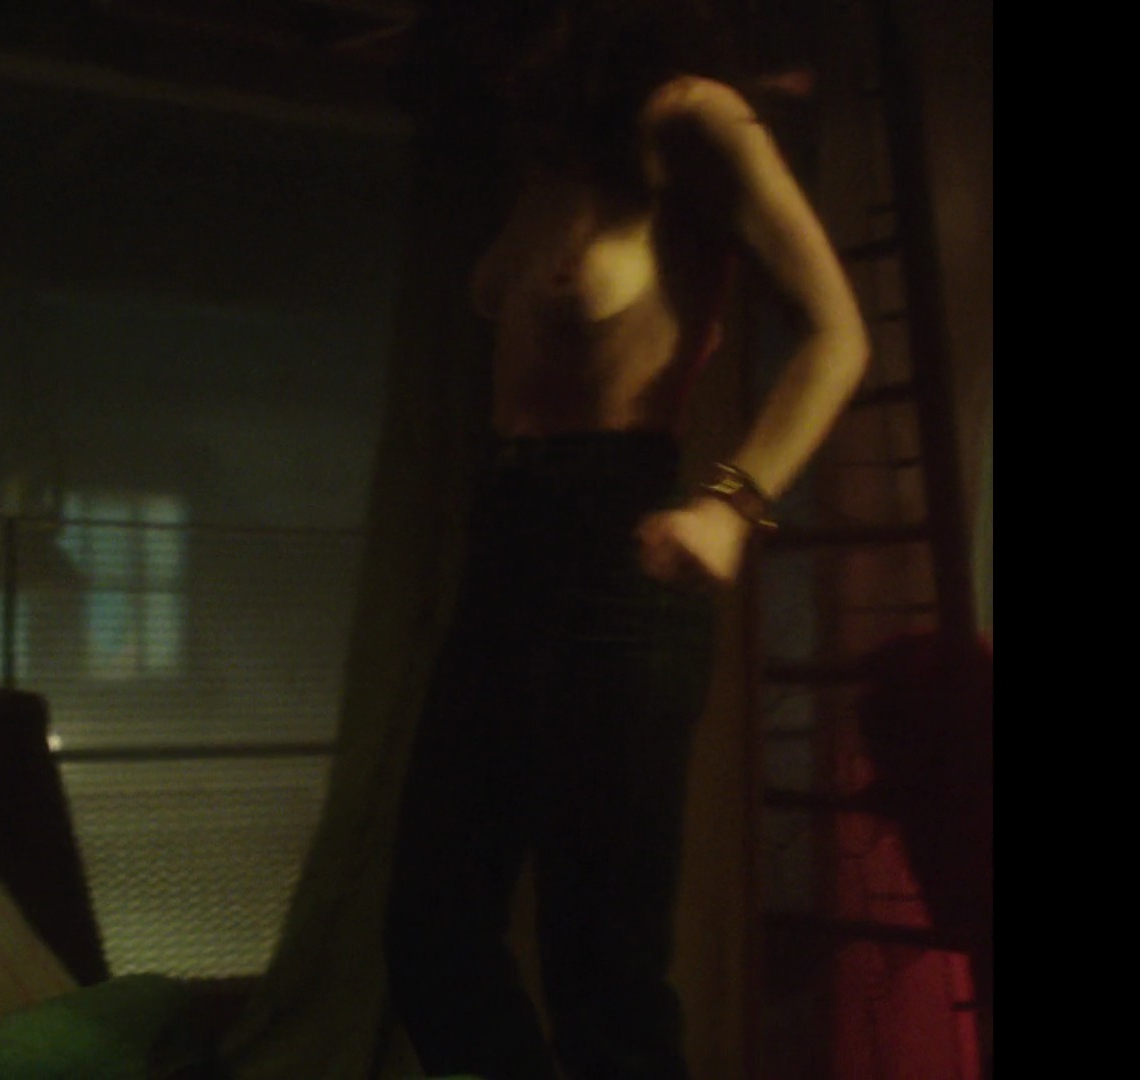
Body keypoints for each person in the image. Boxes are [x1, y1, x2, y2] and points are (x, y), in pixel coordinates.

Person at [382, 2, 868, 1077]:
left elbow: (839, 334)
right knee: (431, 930)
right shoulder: (549, 159)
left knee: (603, 969)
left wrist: (732, 504)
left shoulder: (692, 118)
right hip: (506, 540)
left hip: (615, 548)